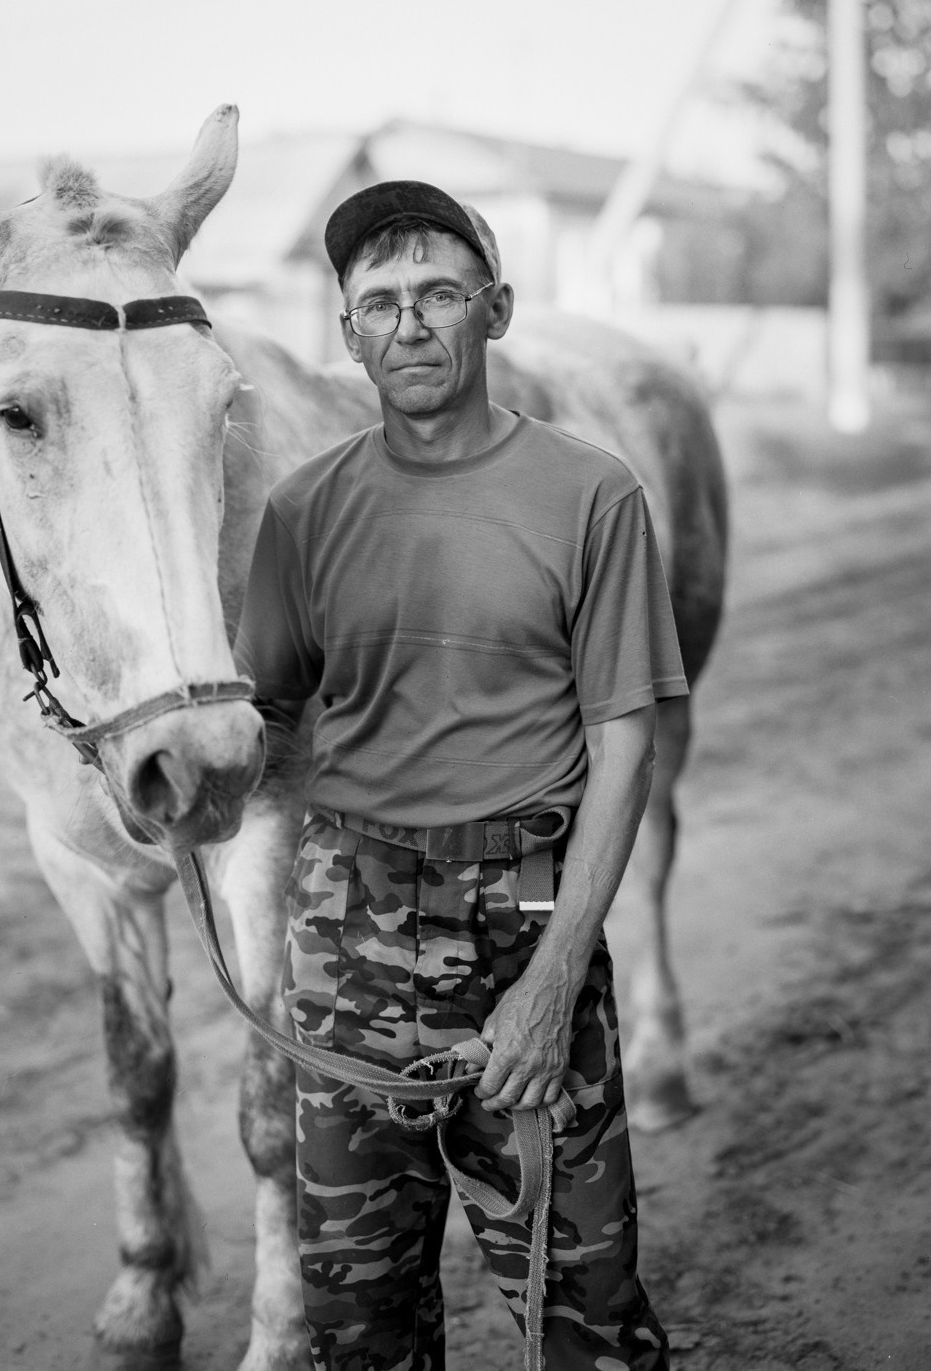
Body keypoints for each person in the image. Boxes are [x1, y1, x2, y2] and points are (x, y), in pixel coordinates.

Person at [234, 179, 684, 1370]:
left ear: (498, 309)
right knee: (356, 1327)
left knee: (584, 1311)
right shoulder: (302, 513)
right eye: (377, 303)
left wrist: (550, 982)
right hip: (348, 931)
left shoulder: (592, 497)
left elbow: (626, 743)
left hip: (526, 921)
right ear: (347, 336)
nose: (409, 324)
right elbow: (264, 723)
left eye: (439, 293)